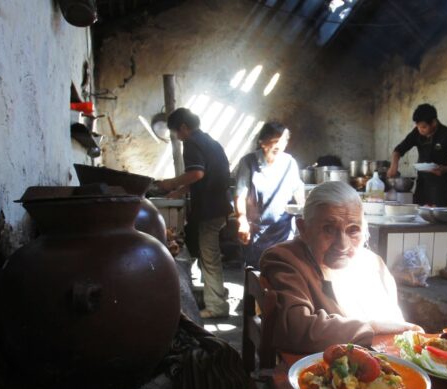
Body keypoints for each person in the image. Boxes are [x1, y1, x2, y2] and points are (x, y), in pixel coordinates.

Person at [260, 181, 422, 354]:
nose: (342, 245)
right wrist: (371, 326)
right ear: (304, 229)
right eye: (328, 229)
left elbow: (395, 325)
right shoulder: (285, 259)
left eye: (353, 230)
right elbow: (297, 329)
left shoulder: (373, 264)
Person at [156, 108, 231, 319]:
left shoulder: (192, 143)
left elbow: (197, 173)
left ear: (183, 127)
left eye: (176, 133)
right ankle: (215, 296)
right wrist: (178, 191)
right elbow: (201, 177)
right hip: (218, 206)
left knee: (210, 258)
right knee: (208, 256)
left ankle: (216, 306)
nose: (178, 138)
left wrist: (171, 182)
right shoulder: (209, 141)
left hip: (210, 209)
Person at [233, 122, 305, 268]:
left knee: (282, 268)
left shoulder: (289, 162)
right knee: (257, 272)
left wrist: (306, 212)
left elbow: (297, 190)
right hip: (257, 230)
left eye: (283, 141)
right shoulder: (249, 162)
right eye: (275, 141)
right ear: (262, 142)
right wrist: (242, 221)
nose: (279, 145)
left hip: (283, 229)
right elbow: (240, 194)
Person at [387, 103, 447, 206]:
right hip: (421, 183)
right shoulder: (417, 132)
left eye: (424, 127)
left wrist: (443, 169)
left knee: (436, 218)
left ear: (434, 122)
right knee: (418, 216)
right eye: (418, 127)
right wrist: (393, 166)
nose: (420, 130)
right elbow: (398, 150)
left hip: (439, 186)